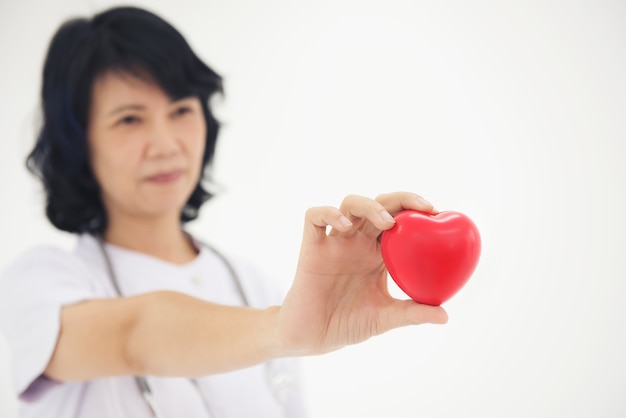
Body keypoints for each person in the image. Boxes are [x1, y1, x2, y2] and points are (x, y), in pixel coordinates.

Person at [0, 6, 448, 418]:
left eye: (180, 110)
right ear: (79, 143)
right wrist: (281, 329)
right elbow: (134, 336)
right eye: (130, 119)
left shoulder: (255, 285)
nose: (166, 145)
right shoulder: (44, 285)